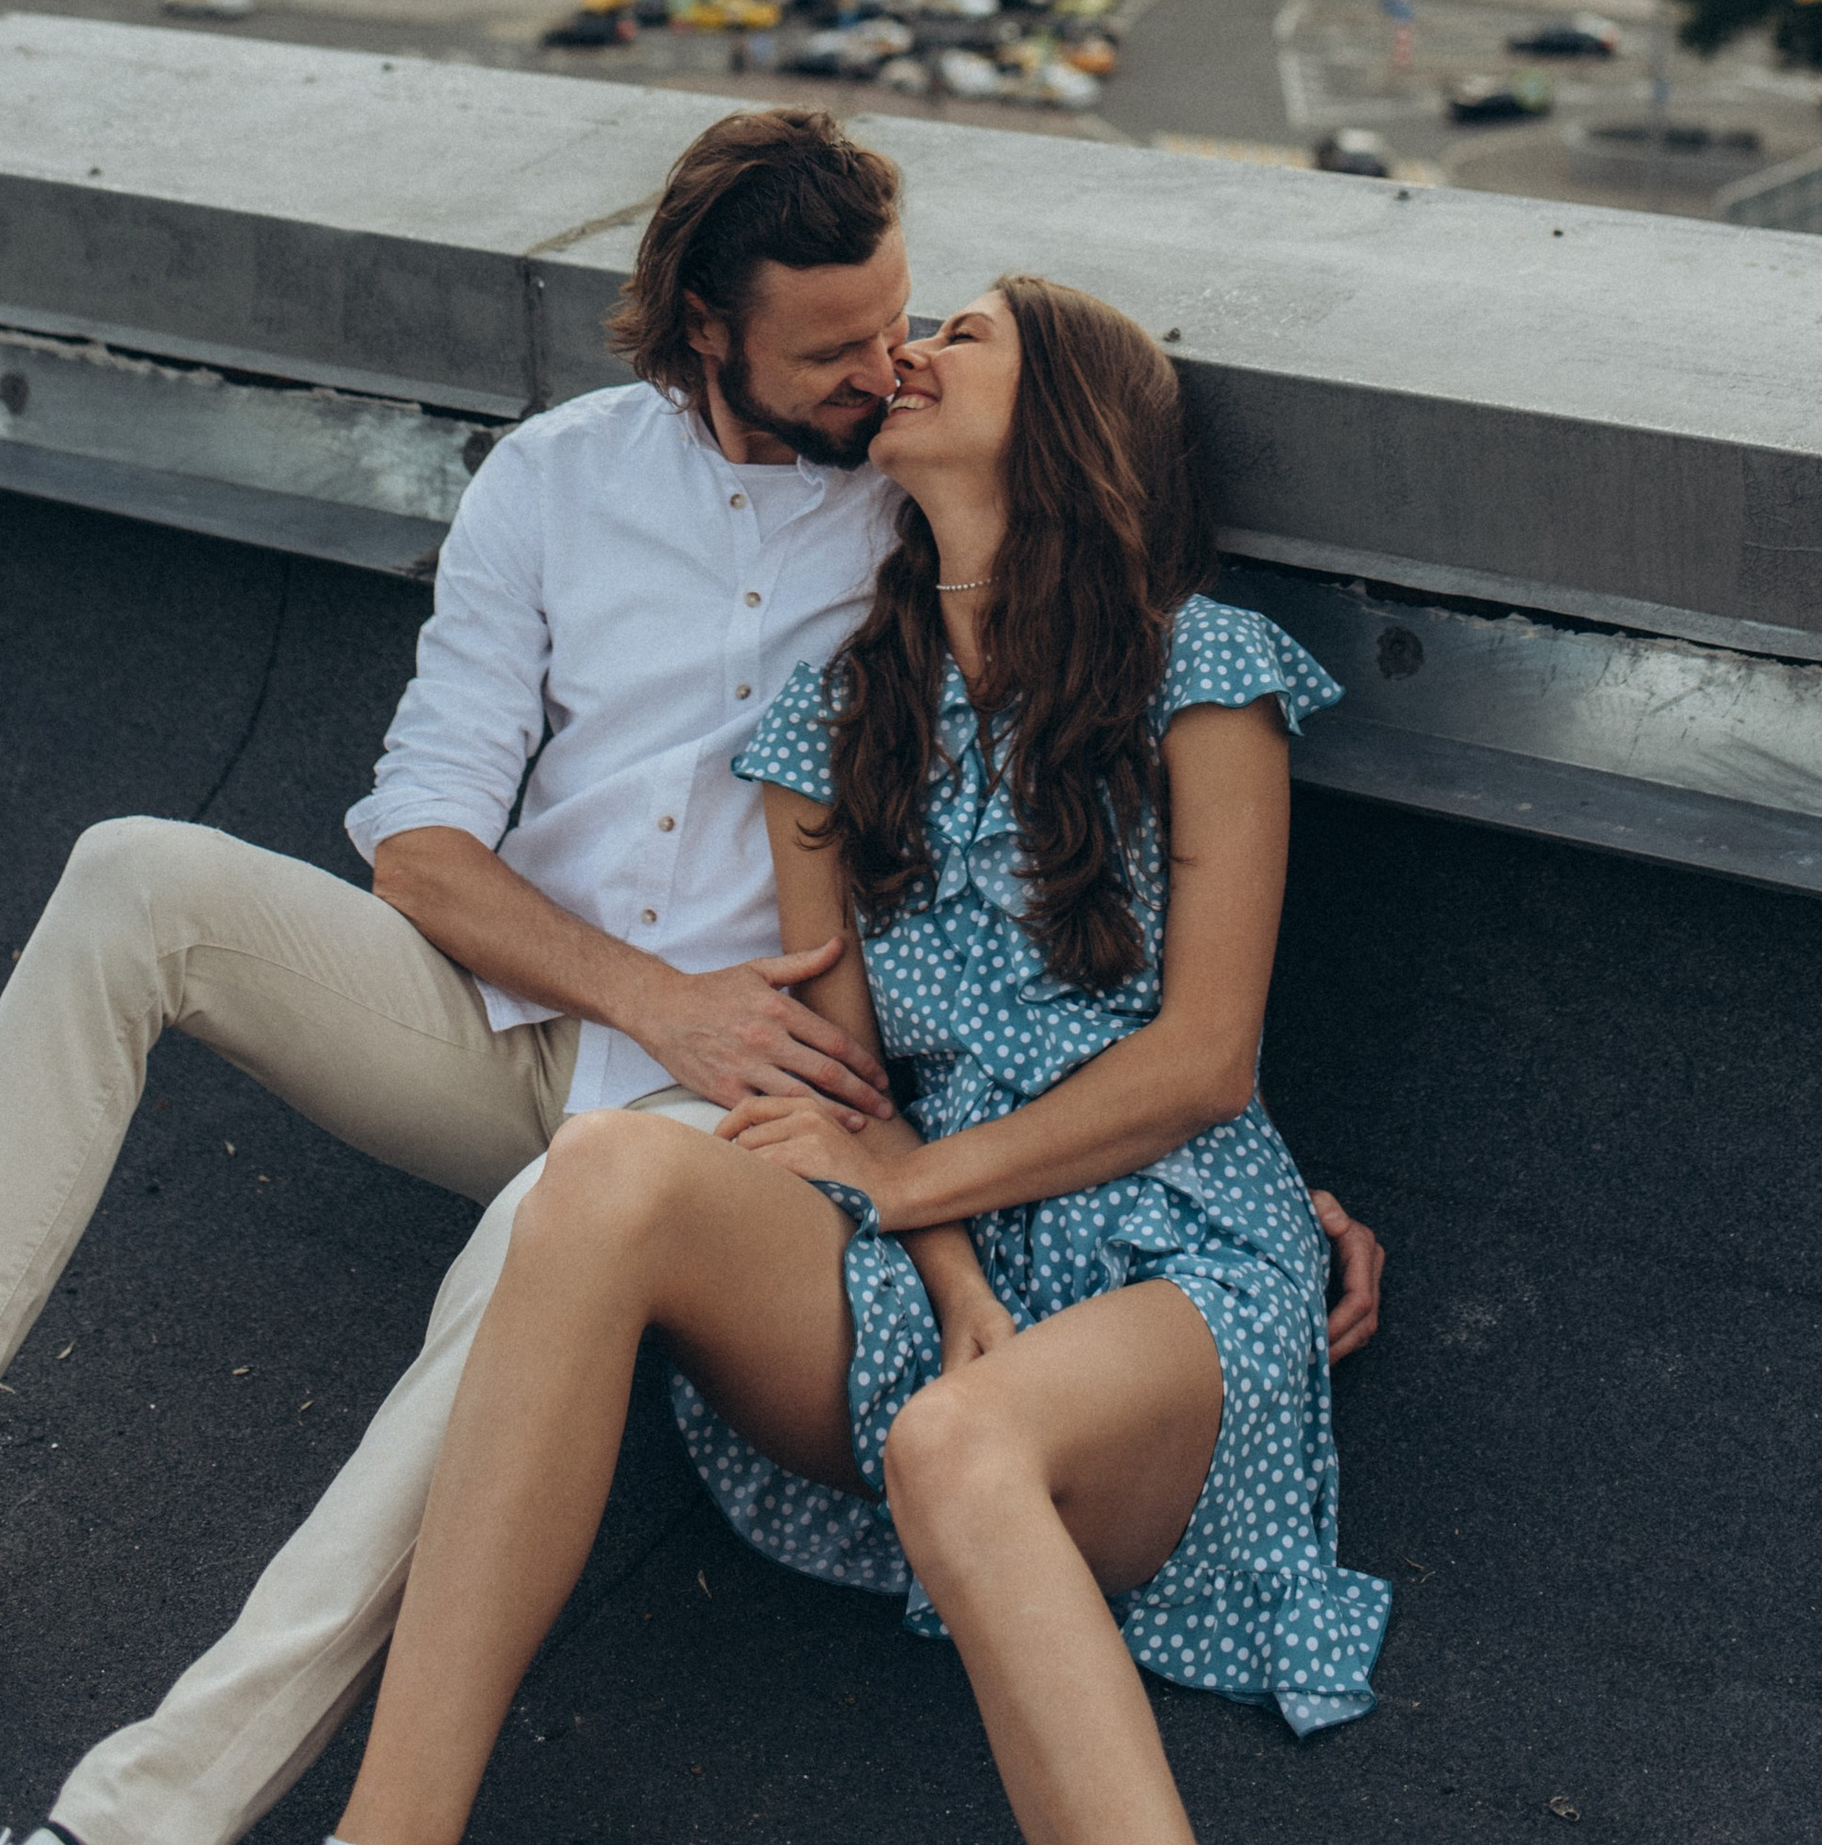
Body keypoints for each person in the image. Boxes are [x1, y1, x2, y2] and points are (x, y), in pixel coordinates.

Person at [0, 118, 1380, 1845]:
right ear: (709, 331)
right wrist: (654, 997)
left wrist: (1215, 1179)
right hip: (536, 1023)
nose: (884, 370)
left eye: (906, 324)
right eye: (835, 350)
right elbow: (418, 844)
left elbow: (1140, 901)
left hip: (743, 1116)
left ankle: (145, 1818)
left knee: (585, 1198)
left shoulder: (923, 491)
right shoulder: (557, 479)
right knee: (139, 875)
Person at [326, 277, 1390, 1845]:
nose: (916, 355)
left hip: (1172, 1249)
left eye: (965, 337)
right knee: (610, 1169)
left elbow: (1204, 1066)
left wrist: (902, 1190)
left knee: (960, 1441)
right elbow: (849, 1088)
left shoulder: (1203, 673)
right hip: (925, 1252)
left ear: (1070, 424)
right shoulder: (835, 718)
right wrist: (946, 1265)